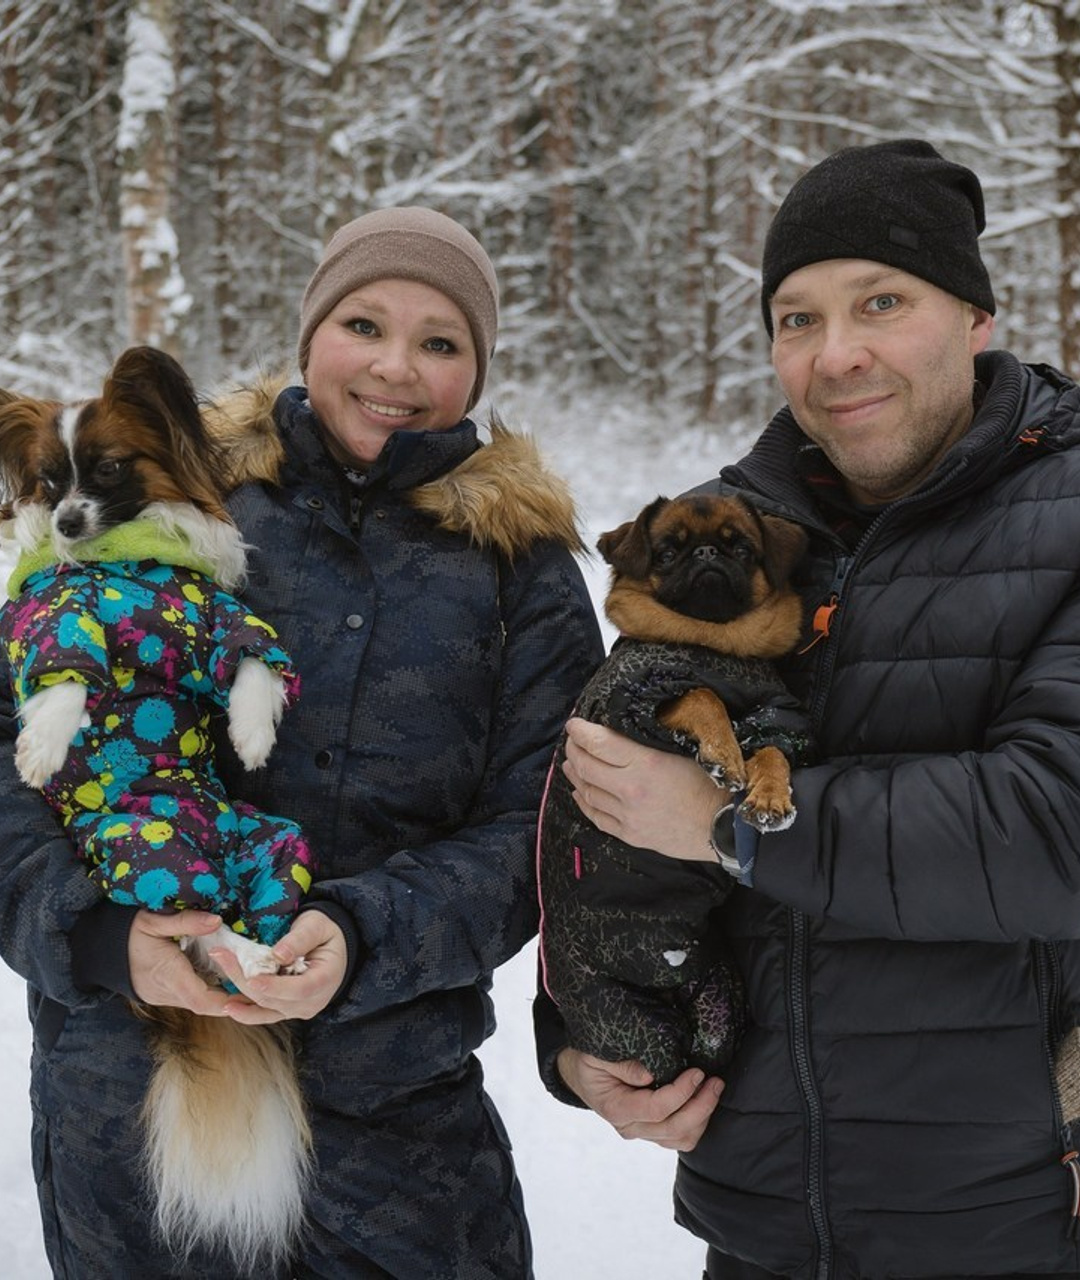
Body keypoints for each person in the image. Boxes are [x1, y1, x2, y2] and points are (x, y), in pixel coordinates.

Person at [538, 140, 1080, 1278]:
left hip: (1014, 1220)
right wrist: (577, 1043)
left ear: (973, 316)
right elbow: (595, 815)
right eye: (795, 318)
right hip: (761, 1220)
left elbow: (1069, 833)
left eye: (879, 302)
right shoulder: (733, 545)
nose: (835, 353)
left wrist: (723, 821)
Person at [0, 206, 604, 1278]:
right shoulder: (172, 499)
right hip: (131, 1113)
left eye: (440, 340)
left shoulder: (523, 573)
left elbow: (545, 836)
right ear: (310, 329)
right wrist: (97, 935)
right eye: (363, 323)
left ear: (477, 366)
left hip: (388, 1146)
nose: (394, 367)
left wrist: (364, 931)